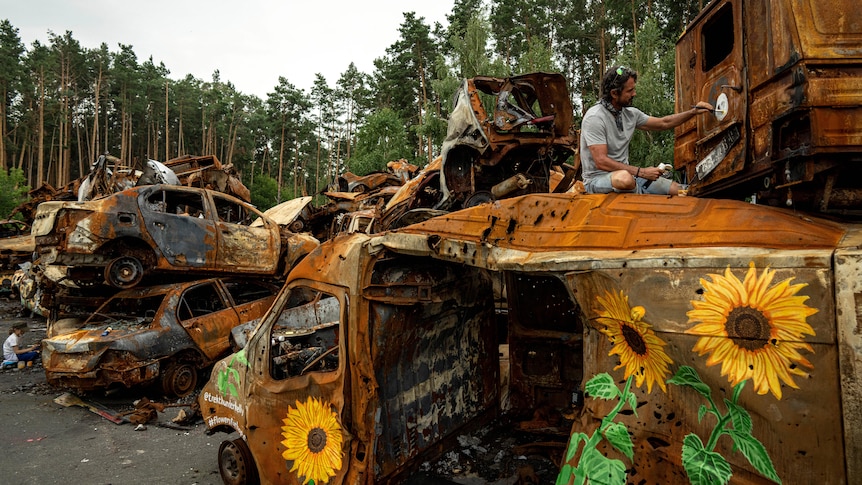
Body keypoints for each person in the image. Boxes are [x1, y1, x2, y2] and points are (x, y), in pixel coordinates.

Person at [580, 65, 715, 195]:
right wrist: (642, 172)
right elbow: (601, 161)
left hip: (632, 176)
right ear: (614, 93)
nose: (634, 93)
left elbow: (664, 122)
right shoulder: (595, 117)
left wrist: (693, 112)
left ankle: (641, 188)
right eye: (629, 91)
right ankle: (641, 193)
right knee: (625, 179)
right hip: (598, 180)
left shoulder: (631, 114)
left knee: (682, 190)